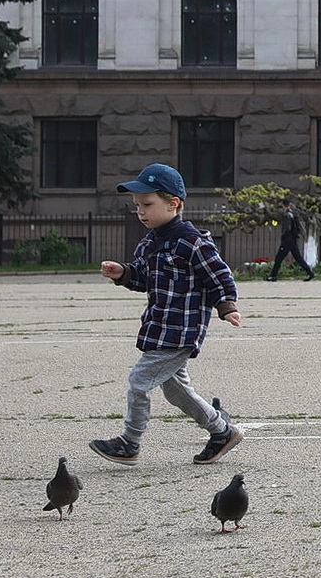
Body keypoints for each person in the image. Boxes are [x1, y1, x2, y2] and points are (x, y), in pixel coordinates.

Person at [90, 163, 243, 466]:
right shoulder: (149, 243)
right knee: (177, 392)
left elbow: (219, 276)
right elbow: (143, 278)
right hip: (158, 328)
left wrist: (227, 306)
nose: (141, 211)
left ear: (174, 204)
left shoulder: (193, 241)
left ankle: (130, 442)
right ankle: (221, 431)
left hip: (181, 330)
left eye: (147, 204)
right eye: (137, 206)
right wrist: (123, 273)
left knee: (139, 380)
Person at [266, 205, 314, 281]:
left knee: (279, 258)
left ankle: (273, 275)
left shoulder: (287, 215)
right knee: (298, 258)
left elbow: (287, 228)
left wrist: (284, 236)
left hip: (288, 240)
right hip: (293, 239)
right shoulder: (294, 214)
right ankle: (310, 273)